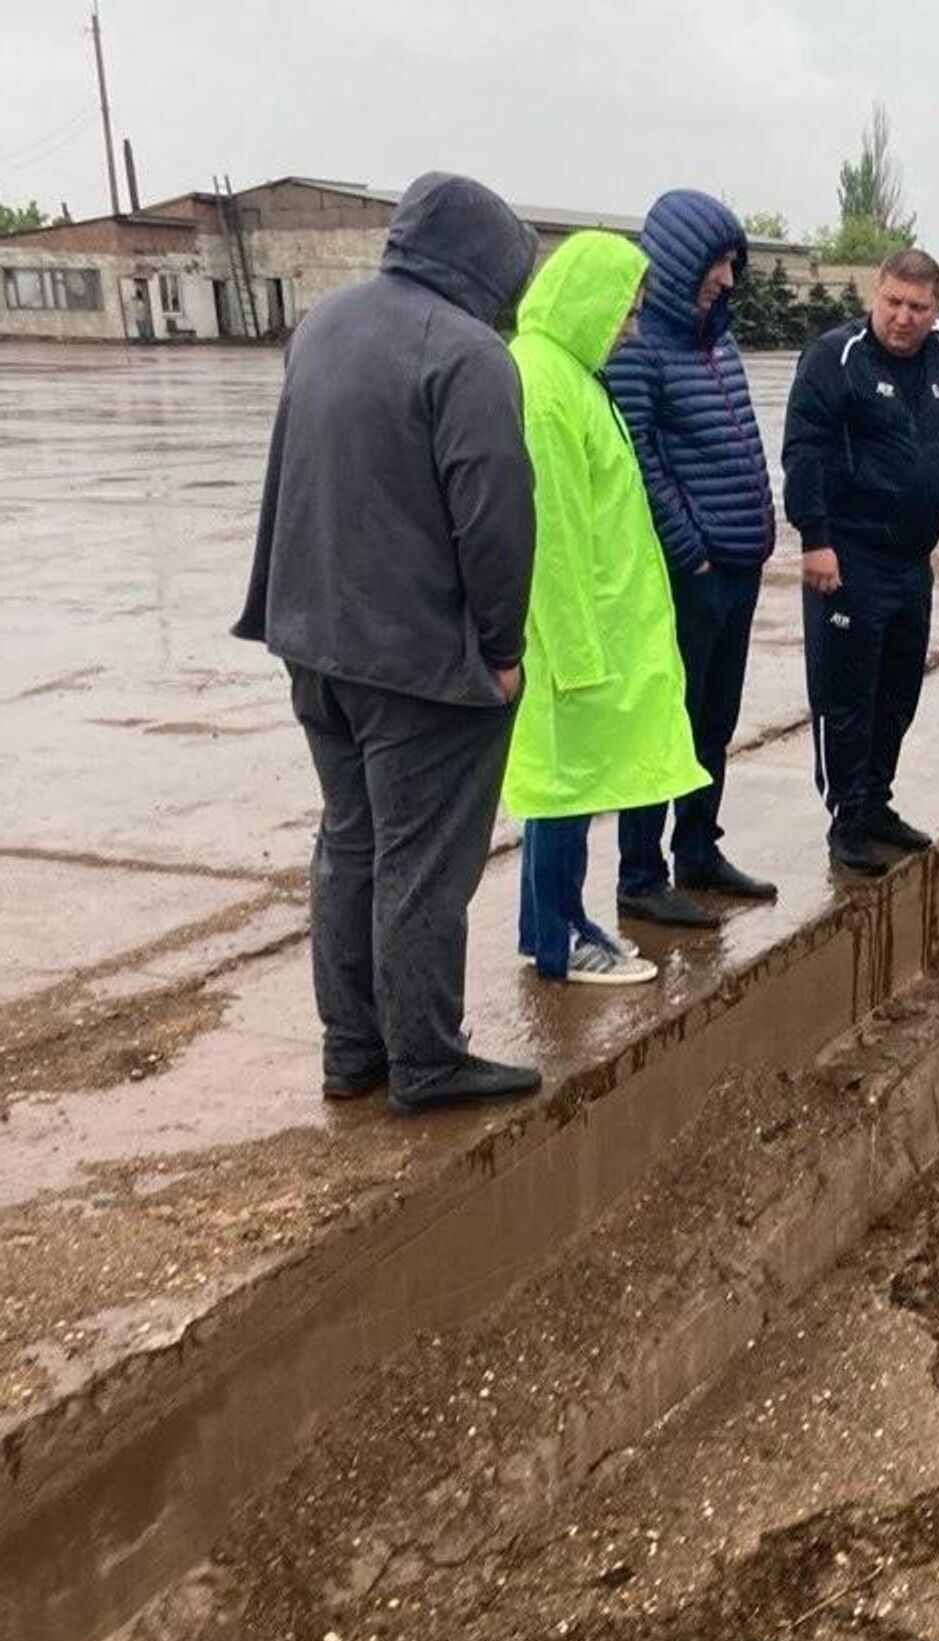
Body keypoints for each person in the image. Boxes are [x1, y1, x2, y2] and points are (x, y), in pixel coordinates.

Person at [234, 171, 544, 1117]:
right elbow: (495, 520)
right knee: (421, 863)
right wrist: (500, 649)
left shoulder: (325, 323)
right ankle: (425, 1059)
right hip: (419, 663)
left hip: (315, 643)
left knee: (350, 844)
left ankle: (352, 1049)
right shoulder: (470, 354)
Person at [504, 229, 709, 984]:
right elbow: (551, 537)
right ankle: (562, 939)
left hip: (600, 626)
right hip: (575, 639)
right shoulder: (547, 388)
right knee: (564, 789)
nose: (630, 328)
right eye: (625, 310)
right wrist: (574, 652)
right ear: (588, 298)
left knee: (566, 791)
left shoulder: (571, 375)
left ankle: (549, 925)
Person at [781, 247, 939, 876]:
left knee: (897, 692)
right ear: (875, 294)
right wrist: (815, 538)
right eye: (893, 302)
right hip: (849, 560)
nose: (903, 318)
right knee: (847, 695)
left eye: (918, 308)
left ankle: (876, 802)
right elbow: (804, 451)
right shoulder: (835, 359)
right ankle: (847, 819)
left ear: (937, 309)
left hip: (910, 564)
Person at [604, 190, 778, 930]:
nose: (728, 280)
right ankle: (640, 875)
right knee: (665, 724)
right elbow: (638, 461)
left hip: (738, 566)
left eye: (733, 265)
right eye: (718, 264)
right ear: (679, 262)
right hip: (690, 574)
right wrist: (692, 552)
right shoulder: (640, 348)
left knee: (714, 720)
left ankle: (698, 850)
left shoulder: (718, 343)